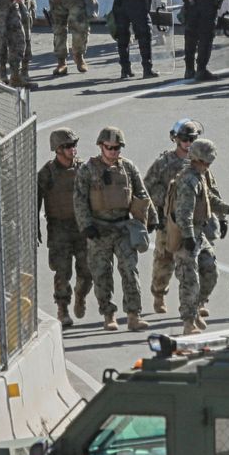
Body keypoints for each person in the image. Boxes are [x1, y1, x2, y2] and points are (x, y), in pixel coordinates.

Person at [74, 126, 153, 331]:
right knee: (101, 274)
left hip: (123, 228)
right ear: (101, 146)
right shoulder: (87, 170)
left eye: (117, 148)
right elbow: (80, 200)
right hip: (99, 230)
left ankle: (134, 315)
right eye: (109, 147)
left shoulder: (128, 168)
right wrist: (86, 225)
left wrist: (151, 218)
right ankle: (108, 314)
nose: (113, 151)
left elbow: (142, 194)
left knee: (130, 271)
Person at [169, 138, 229, 334]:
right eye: (205, 162)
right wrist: (187, 237)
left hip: (198, 234)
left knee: (211, 271)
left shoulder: (200, 176)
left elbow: (209, 199)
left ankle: (196, 308)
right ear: (196, 159)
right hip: (186, 235)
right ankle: (188, 322)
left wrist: (227, 210)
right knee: (190, 280)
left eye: (208, 163)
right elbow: (183, 213)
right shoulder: (188, 180)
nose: (207, 165)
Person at [38, 129, 93, 325]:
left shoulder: (84, 169)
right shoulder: (47, 173)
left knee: (87, 270)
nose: (72, 149)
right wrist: (35, 228)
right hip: (59, 228)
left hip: (82, 227)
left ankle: (81, 294)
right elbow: (36, 201)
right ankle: (63, 308)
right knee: (62, 271)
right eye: (68, 146)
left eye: (74, 145)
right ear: (57, 149)